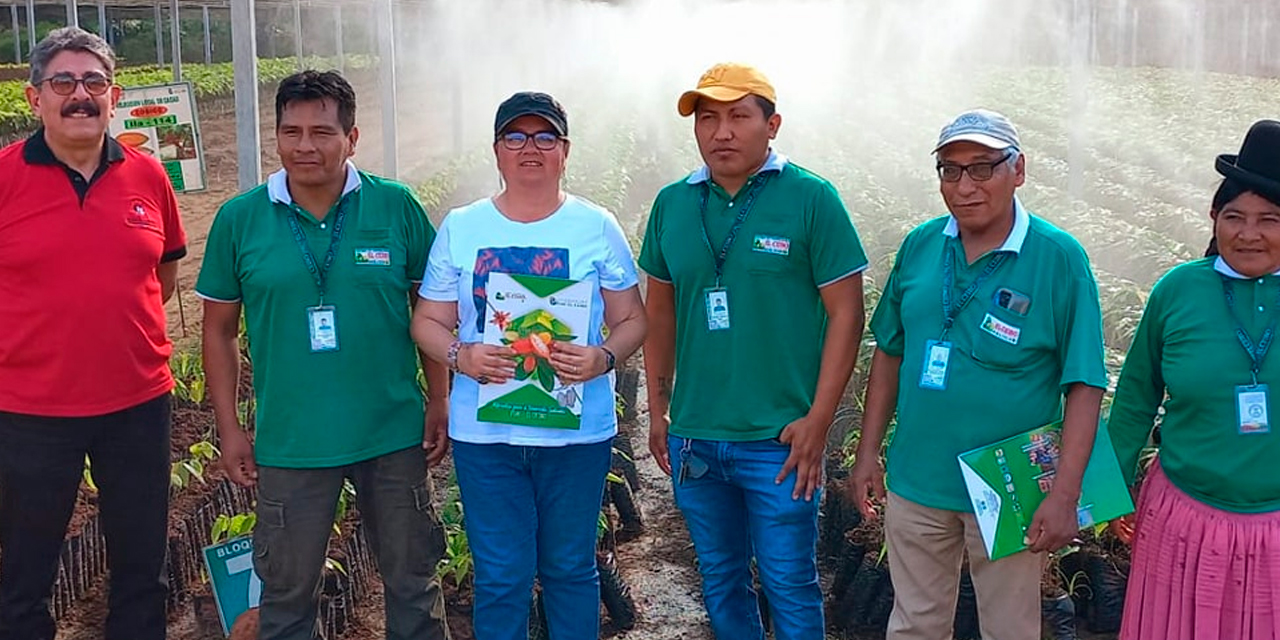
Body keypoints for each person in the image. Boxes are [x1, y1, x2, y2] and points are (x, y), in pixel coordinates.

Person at [197, 70, 450, 640]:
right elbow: (218, 332)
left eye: (321, 132)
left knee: (413, 584)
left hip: (392, 435)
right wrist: (229, 427)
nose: (304, 146)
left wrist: (440, 397)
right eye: (291, 132)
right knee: (286, 597)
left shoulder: (395, 207)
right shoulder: (241, 219)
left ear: (352, 138)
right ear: (277, 137)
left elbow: (430, 310)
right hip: (291, 443)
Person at [847, 109, 1107, 639]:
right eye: (950, 169)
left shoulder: (1058, 258)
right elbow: (890, 352)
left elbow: (1083, 384)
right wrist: (869, 451)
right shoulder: (922, 245)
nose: (965, 186)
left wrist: (1064, 495)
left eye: (983, 168)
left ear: (1019, 170)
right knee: (914, 625)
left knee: (1009, 629)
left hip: (1007, 484)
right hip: (918, 478)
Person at [639, 63, 867, 639]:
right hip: (696, 435)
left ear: (772, 125)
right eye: (708, 118)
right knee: (720, 580)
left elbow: (848, 313)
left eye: (739, 116)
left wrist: (819, 421)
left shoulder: (812, 198)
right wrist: (659, 408)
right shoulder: (672, 205)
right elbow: (659, 314)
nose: (722, 132)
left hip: (780, 441)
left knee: (789, 582)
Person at [411, 91, 646, 640]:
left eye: (545, 137)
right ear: (497, 151)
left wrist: (603, 356)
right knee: (500, 577)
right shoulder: (462, 227)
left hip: (576, 436)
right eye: (515, 137)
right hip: (486, 436)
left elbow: (633, 317)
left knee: (569, 569)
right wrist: (459, 355)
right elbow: (427, 320)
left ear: (565, 150)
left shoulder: (596, 225)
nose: (530, 148)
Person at [0, 27, 186, 640]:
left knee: (142, 569)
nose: (80, 95)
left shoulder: (149, 176)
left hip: (136, 405)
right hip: (28, 411)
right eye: (63, 82)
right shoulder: (3, 178)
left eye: (93, 82)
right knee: (23, 572)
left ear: (115, 94)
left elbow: (163, 273)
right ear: (34, 98)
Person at [1108, 119, 1280, 640]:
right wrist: (1111, 490)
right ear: (1213, 217)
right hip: (1184, 522)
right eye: (1235, 216)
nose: (1248, 233)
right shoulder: (1178, 292)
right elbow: (1136, 398)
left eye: (1269, 219)